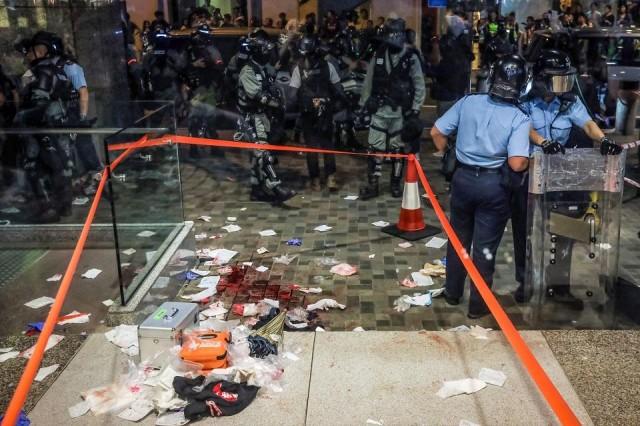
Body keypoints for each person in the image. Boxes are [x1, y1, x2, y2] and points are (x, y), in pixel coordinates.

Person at [512, 49, 623, 307]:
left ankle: (558, 286)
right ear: (541, 78)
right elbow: (522, 126)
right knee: (525, 232)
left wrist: (604, 140)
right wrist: (543, 142)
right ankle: (525, 282)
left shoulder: (569, 102)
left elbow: (587, 124)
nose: (562, 85)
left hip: (559, 178)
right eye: (555, 79)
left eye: (565, 79)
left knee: (563, 231)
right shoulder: (525, 101)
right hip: (528, 175)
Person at [430, 55, 531, 319]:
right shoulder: (519, 117)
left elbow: (436, 133)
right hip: (494, 185)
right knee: (485, 248)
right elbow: (518, 162)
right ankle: (477, 306)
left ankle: (452, 292)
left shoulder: (468, 102)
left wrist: (449, 153)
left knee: (458, 240)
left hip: (462, 181)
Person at [358, 18, 425, 200]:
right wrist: (363, 107)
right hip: (379, 110)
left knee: (398, 150)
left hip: (400, 113)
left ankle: (395, 183)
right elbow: (369, 81)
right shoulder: (378, 54)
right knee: (374, 149)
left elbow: (419, 84)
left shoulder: (411, 57)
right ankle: (373, 185)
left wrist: (415, 109)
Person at [13, 32, 76, 222]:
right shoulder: (56, 69)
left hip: (42, 126)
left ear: (41, 50)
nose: (27, 56)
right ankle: (62, 206)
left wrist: (20, 117)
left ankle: (49, 207)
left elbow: (38, 103)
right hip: (56, 125)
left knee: (37, 167)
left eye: (31, 51)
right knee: (60, 167)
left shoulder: (42, 71)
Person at [236, 31, 296, 204]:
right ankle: (276, 188)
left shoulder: (261, 69)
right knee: (263, 154)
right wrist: (277, 104)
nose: (268, 53)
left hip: (260, 117)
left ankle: (256, 190)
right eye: (265, 51)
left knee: (257, 157)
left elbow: (272, 85)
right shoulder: (248, 71)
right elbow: (257, 96)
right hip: (249, 119)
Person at [290, 35, 346, 192]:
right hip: (320, 112)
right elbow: (338, 88)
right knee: (324, 145)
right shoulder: (327, 66)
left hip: (313, 112)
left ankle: (317, 179)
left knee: (314, 146)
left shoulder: (300, 68)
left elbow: (292, 94)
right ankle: (327, 178)